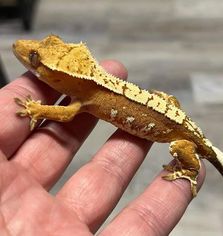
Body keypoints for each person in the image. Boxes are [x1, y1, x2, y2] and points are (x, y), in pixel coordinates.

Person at [0, 60, 205, 235]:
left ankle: (190, 170)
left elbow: (66, 114)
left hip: (179, 132)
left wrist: (36, 109)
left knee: (178, 149)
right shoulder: (86, 93)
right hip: (168, 114)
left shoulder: (86, 94)